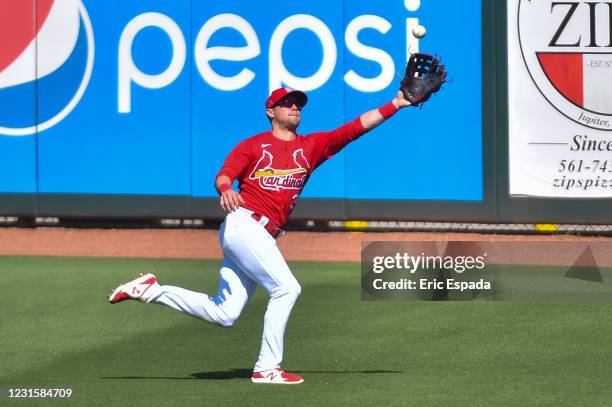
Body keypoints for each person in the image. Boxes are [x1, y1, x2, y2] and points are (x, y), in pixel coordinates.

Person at [108, 87, 413, 384]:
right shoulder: (253, 145)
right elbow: (224, 174)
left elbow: (355, 128)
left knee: (224, 313)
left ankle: (150, 290)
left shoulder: (312, 146)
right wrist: (226, 189)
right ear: (270, 111)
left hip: (261, 235)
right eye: (287, 103)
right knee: (287, 289)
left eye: (298, 104)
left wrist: (396, 103)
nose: (295, 107)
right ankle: (267, 368)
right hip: (245, 225)